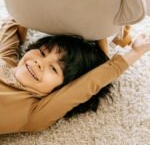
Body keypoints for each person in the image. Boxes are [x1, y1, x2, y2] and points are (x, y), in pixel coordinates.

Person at [0, 19, 149, 134]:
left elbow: (87, 84)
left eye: (53, 68)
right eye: (42, 52)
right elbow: (14, 20)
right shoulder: (7, 61)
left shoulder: (33, 113)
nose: (39, 62)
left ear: (61, 89)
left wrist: (135, 53)